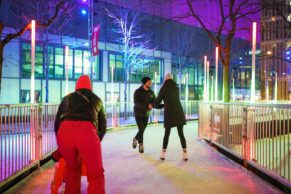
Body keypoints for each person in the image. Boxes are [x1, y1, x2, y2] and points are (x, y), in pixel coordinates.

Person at [54, 75, 106, 194]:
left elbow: (57, 123)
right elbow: (102, 127)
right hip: (87, 132)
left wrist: (60, 144)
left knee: (72, 170)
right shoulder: (97, 100)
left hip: (64, 132)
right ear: (90, 86)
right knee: (95, 174)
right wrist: (95, 142)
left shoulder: (66, 98)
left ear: (77, 86)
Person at [154, 73, 188, 161]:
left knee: (167, 134)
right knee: (181, 134)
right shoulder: (177, 88)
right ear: (172, 79)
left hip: (169, 113)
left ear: (165, 79)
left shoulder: (163, 89)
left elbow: (157, 101)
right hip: (179, 112)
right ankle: (185, 153)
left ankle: (163, 154)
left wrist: (156, 105)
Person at [133, 77, 157, 153]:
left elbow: (155, 102)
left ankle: (135, 139)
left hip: (146, 114)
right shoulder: (137, 91)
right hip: (138, 113)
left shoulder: (151, 92)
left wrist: (164, 105)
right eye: (148, 82)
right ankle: (141, 144)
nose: (150, 83)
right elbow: (136, 103)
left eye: (151, 81)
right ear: (144, 83)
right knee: (141, 128)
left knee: (142, 129)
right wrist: (147, 106)